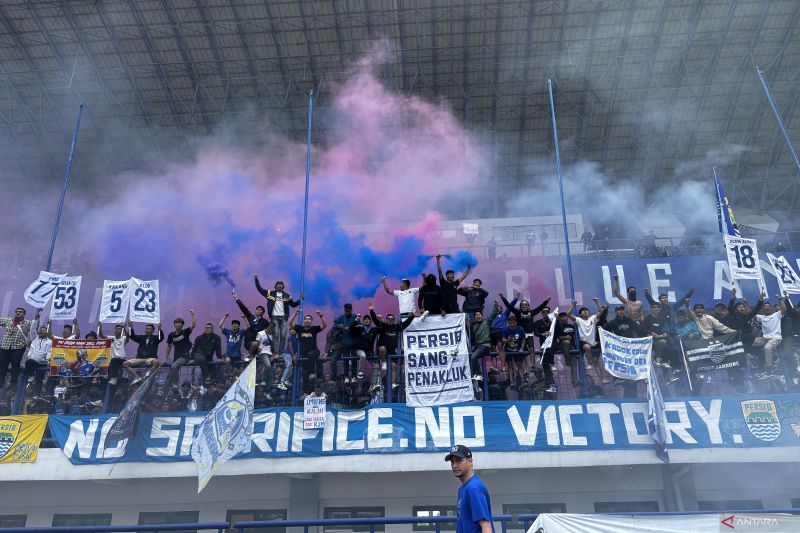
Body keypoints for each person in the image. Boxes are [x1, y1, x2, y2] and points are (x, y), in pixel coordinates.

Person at [445, 445, 494, 533]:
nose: (455, 465)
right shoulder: (462, 489)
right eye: (452, 462)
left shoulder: (473, 488)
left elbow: (486, 526)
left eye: (459, 460)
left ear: (470, 461)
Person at [369, 303, 414, 392]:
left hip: (391, 352)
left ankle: (393, 383)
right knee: (382, 348)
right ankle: (384, 363)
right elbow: (375, 320)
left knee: (394, 366)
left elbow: (405, 324)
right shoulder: (383, 326)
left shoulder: (397, 327)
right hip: (383, 352)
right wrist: (371, 311)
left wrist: (412, 316)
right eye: (389, 319)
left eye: (392, 319)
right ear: (386, 320)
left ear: (394, 320)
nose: (390, 320)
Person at [254, 276, 300, 356]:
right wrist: (256, 280)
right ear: (275, 286)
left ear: (283, 286)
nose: (279, 285)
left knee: (283, 335)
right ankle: (276, 353)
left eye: (281, 284)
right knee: (276, 335)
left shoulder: (287, 296)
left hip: (284, 318)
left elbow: (293, 304)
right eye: (278, 284)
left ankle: (281, 353)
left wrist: (300, 300)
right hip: (274, 317)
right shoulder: (270, 293)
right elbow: (260, 290)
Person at [575, 298, 610, 384]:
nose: (585, 311)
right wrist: (573, 305)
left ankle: (602, 379)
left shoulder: (593, 318)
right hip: (584, 342)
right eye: (583, 311)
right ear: (580, 314)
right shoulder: (579, 320)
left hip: (594, 343)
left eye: (586, 310)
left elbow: (600, 312)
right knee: (587, 347)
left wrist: (597, 302)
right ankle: (589, 364)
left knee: (596, 362)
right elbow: (568, 314)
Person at [289, 309, 327, 384]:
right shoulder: (300, 328)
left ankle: (312, 373)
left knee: (312, 355)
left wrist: (321, 316)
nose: (307, 320)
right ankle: (306, 391)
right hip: (304, 354)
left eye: (309, 319)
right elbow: (290, 323)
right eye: (306, 319)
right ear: (304, 321)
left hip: (314, 351)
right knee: (305, 373)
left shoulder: (314, 329)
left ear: (311, 321)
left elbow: (324, 325)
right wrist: (295, 314)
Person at [332, 304, 363, 383]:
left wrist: (353, 327)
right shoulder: (341, 318)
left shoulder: (355, 317)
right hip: (345, 344)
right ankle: (346, 376)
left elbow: (360, 327)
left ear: (351, 309)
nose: (347, 311)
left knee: (354, 361)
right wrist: (339, 325)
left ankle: (353, 376)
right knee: (345, 361)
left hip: (354, 343)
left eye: (349, 310)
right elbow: (334, 327)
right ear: (344, 310)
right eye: (346, 310)